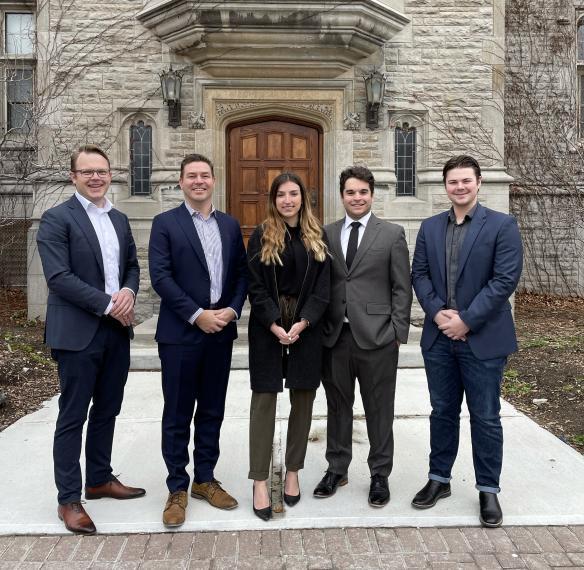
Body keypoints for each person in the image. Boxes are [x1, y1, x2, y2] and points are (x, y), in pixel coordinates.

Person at [36, 145, 144, 535]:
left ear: (109, 174)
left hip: (116, 333)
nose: (96, 177)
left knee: (108, 409)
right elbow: (59, 278)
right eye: (87, 172)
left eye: (101, 171)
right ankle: (68, 499)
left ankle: (98, 478)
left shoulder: (117, 218)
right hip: (78, 333)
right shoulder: (56, 219)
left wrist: (129, 292)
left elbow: (130, 264)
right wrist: (107, 304)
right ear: (73, 176)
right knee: (72, 416)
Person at [410, 155, 523, 528]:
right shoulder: (429, 227)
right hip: (440, 336)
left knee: (486, 417)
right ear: (445, 186)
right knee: (442, 411)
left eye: (466, 181)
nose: (459, 187)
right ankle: (439, 479)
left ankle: (488, 489)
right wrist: (438, 312)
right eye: (453, 182)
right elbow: (420, 274)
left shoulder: (502, 226)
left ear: (478, 184)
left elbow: (504, 281)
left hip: (482, 338)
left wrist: (467, 321)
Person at [149, 153, 248, 528]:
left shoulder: (229, 224)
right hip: (180, 335)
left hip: (220, 333)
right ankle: (177, 487)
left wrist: (231, 310)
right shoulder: (165, 223)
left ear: (213, 180)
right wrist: (197, 314)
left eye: (205, 175)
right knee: (177, 413)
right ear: (181, 182)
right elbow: (161, 277)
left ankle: (205, 479)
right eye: (191, 176)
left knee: (211, 410)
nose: (199, 181)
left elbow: (241, 275)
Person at [313, 165, 412, 507]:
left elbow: (402, 287)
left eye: (363, 192)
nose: (357, 198)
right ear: (341, 196)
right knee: (338, 406)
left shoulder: (391, 234)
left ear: (372, 194)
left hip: (378, 337)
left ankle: (380, 475)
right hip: (335, 336)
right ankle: (336, 468)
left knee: (379, 409)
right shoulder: (326, 233)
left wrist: (398, 330)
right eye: (350, 192)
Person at [247, 172, 330, 521]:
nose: (287, 200)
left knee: (303, 397)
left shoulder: (317, 236)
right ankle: (260, 480)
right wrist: (273, 322)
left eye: (293, 194)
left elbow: (324, 288)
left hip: (306, 325)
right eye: (281, 195)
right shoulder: (261, 235)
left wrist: (303, 321)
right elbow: (254, 285)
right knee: (264, 399)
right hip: (268, 324)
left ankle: (293, 470)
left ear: (303, 198)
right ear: (273, 199)